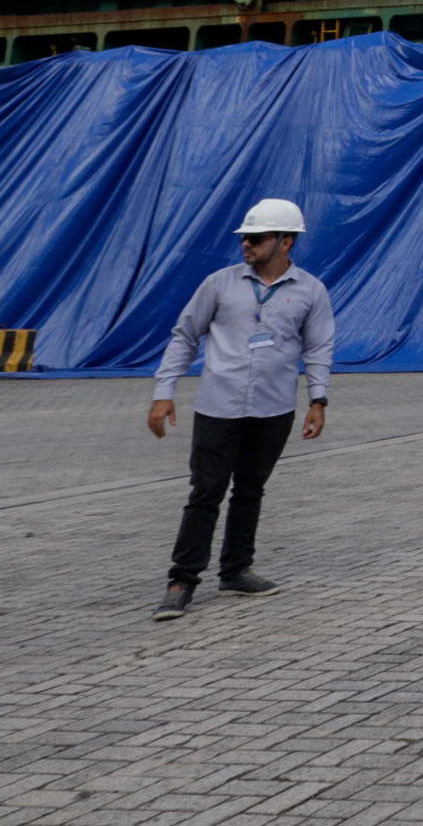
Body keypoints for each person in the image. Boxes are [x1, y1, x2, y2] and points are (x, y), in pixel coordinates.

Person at [147, 198, 333, 622]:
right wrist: (164, 391)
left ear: (286, 242)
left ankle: (235, 571)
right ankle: (181, 581)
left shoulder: (310, 291)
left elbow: (319, 348)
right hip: (219, 407)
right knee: (206, 492)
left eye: (256, 238)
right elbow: (184, 336)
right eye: (244, 237)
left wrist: (317, 401)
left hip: (274, 409)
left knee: (250, 489)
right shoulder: (219, 284)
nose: (245, 244)